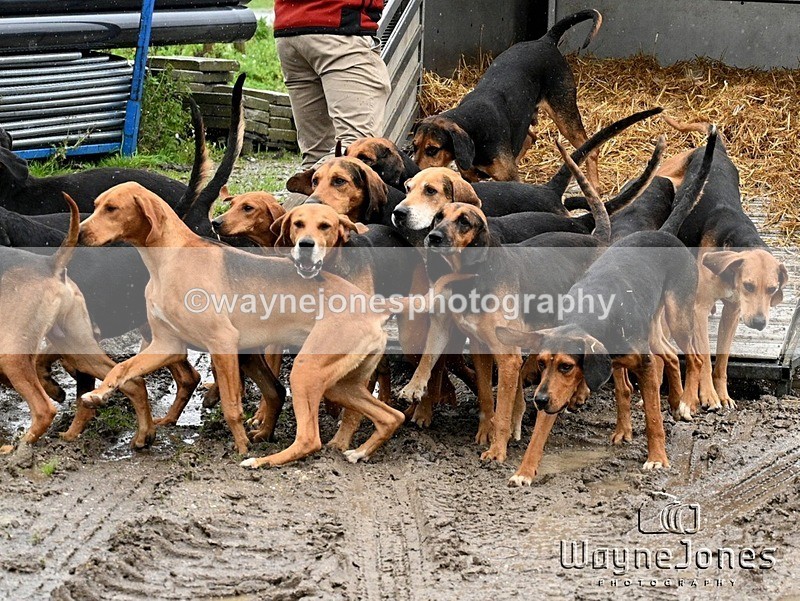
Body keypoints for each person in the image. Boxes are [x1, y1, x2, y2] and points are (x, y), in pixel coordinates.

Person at [274, 0, 392, 207]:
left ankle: (293, 229)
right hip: (339, 25)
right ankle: (286, 228)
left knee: (316, 158)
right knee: (356, 153)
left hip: (291, 27)